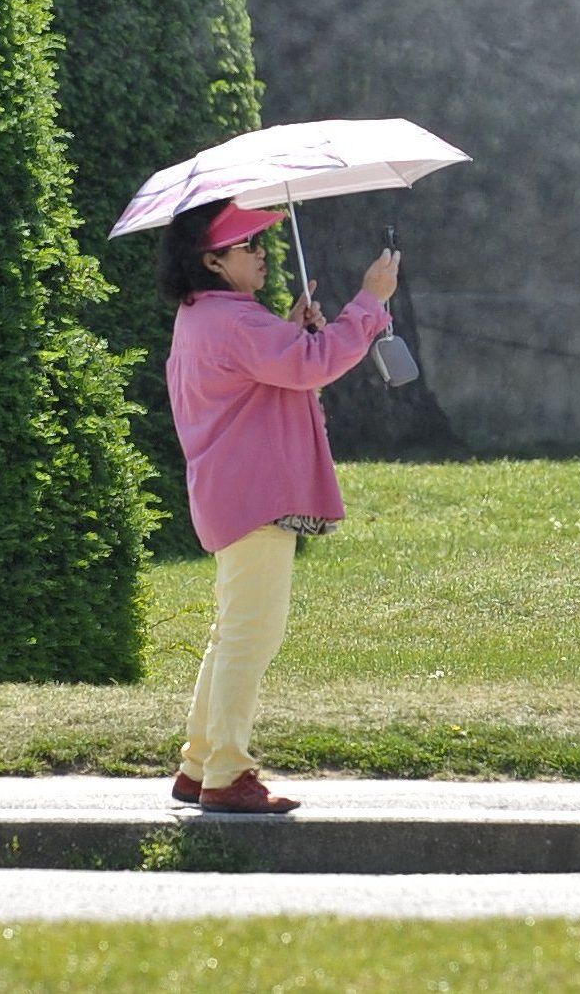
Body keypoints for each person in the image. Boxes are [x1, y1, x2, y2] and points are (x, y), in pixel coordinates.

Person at [155, 198, 400, 814]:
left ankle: (200, 763)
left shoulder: (208, 316)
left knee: (232, 631)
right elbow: (315, 362)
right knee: (250, 635)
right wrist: (370, 301)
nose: (261, 253)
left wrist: (291, 329)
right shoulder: (237, 323)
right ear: (212, 261)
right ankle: (225, 774)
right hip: (254, 494)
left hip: (232, 492)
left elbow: (285, 363)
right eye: (247, 247)